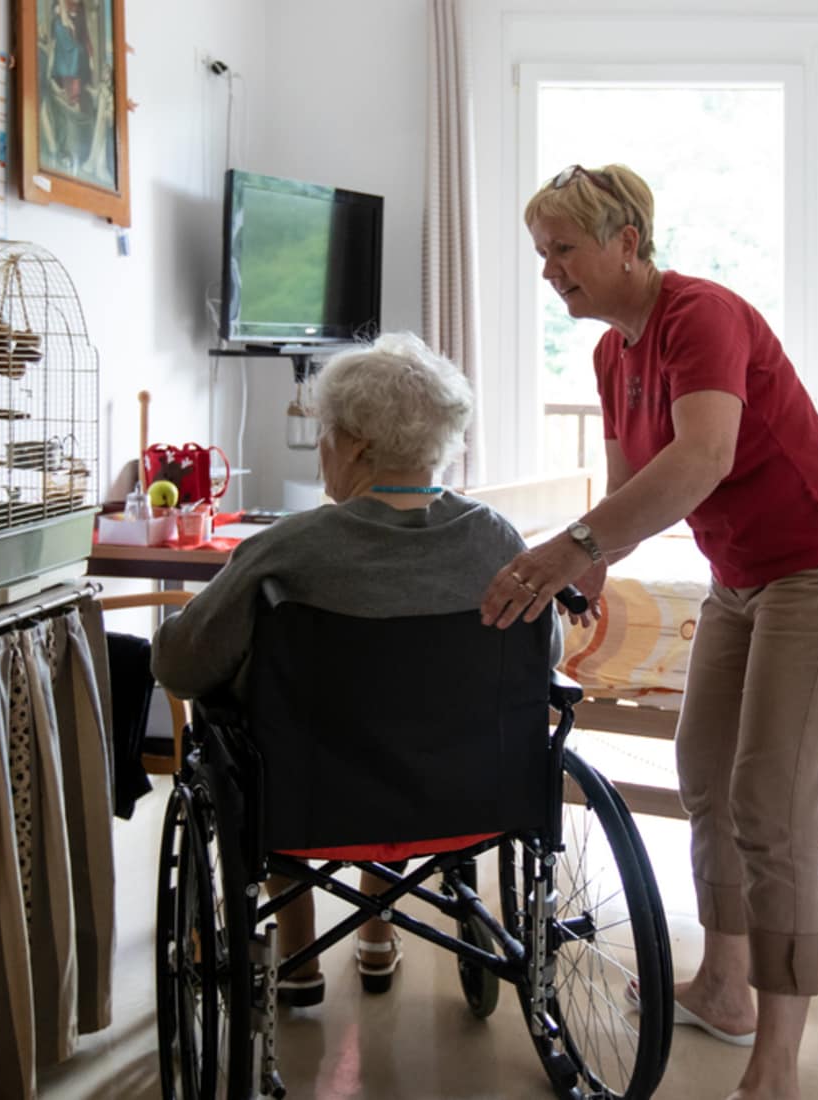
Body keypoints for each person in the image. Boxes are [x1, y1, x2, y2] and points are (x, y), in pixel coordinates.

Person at [481, 163, 818, 1100]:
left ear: (628, 241)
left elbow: (704, 456)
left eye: (564, 250)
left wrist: (565, 545)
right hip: (741, 577)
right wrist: (590, 569)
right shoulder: (609, 354)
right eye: (541, 255)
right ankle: (725, 986)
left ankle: (778, 1061)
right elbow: (633, 488)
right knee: (704, 770)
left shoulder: (702, 315)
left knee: (771, 801)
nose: (550, 272)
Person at [154, 331, 557, 1006]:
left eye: (325, 434)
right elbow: (541, 662)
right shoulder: (497, 539)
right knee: (401, 722)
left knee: (270, 723)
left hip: (309, 802)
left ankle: (297, 946)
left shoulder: (288, 549)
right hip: (470, 795)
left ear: (355, 445)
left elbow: (183, 665)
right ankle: (376, 936)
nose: (323, 449)